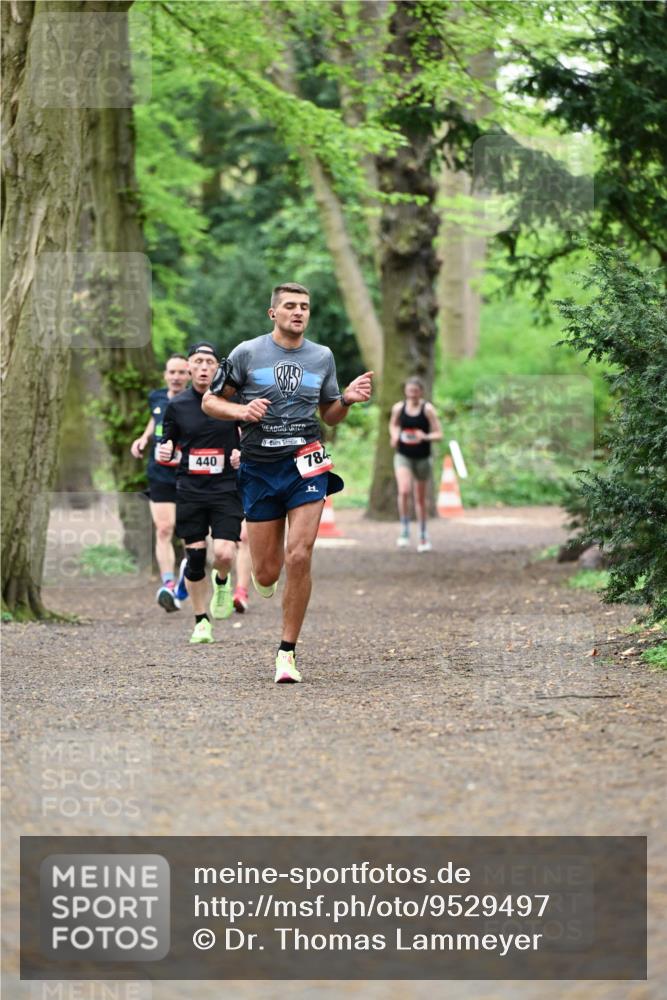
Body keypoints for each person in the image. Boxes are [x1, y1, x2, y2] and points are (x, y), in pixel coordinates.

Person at [202, 281, 373, 683]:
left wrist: (345, 399)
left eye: (305, 307)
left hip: (306, 463)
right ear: (273, 313)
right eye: (291, 306)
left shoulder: (322, 357)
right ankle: (242, 579)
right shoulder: (247, 352)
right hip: (260, 468)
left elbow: (328, 414)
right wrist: (242, 411)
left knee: (300, 553)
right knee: (265, 573)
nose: (299, 312)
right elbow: (211, 401)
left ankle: (287, 652)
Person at [157, 342, 245, 644]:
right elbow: (166, 444)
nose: (204, 367)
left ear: (218, 368)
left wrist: (240, 454)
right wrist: (166, 449)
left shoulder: (231, 402)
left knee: (223, 552)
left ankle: (222, 581)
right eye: (198, 361)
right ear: (189, 367)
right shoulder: (178, 405)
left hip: (225, 488)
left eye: (210, 362)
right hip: (191, 489)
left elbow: (247, 438)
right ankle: (200, 620)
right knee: (195, 560)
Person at [130, 354, 189, 612]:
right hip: (159, 473)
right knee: (164, 529)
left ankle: (189, 580)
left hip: (189, 474)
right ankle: (168, 584)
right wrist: (142, 439)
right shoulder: (156, 397)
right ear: (165, 375)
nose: (176, 377)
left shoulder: (198, 401)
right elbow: (154, 420)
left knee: (192, 534)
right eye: (172, 372)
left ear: (188, 375)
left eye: (181, 372)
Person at [389, 376, 443, 552]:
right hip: (403, 455)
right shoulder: (399, 408)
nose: (412, 394)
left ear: (421, 392)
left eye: (415, 391)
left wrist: (425, 436)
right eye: (409, 391)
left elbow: (439, 434)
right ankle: (404, 530)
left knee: (420, 498)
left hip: (422, 457)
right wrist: (395, 435)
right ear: (405, 391)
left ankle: (423, 534)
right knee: (404, 490)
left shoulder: (427, 410)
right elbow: (393, 425)